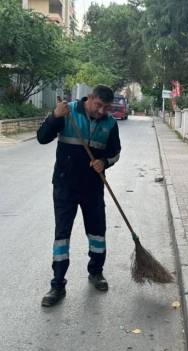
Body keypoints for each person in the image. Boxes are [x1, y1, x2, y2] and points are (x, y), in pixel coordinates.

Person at [36, 85, 122, 307]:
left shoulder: (110, 124)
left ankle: (96, 272)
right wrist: (55, 116)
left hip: (93, 187)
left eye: (106, 107)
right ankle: (57, 285)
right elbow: (42, 137)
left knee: (97, 233)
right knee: (62, 235)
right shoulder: (68, 112)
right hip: (65, 186)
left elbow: (115, 153)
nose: (101, 111)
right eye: (98, 105)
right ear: (89, 98)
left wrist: (104, 163)